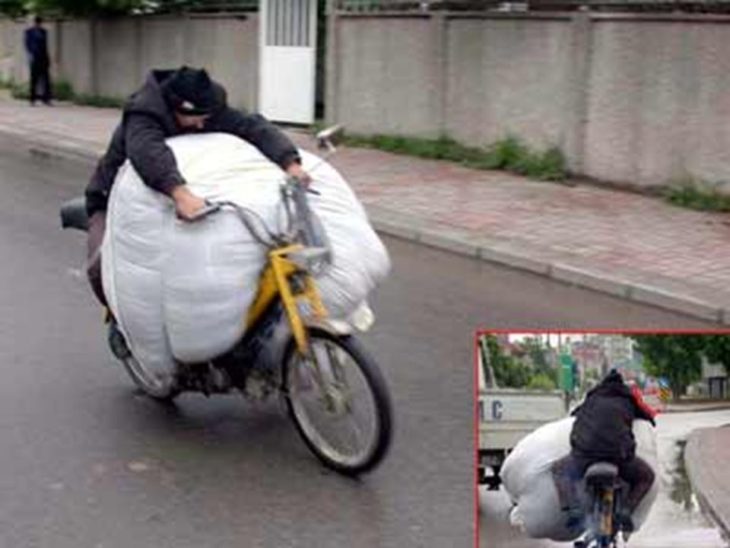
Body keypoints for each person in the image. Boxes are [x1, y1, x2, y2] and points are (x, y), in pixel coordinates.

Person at [84, 66, 309, 307]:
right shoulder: (144, 114)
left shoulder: (206, 110)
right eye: (196, 118)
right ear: (177, 108)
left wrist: (290, 162)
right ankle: (122, 323)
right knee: (102, 267)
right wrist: (180, 194)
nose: (202, 125)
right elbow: (149, 153)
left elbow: (252, 127)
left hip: (171, 199)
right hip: (110, 202)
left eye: (206, 118)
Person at [553, 370, 657, 534]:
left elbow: (574, 414)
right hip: (619, 456)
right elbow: (647, 415)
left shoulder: (592, 399)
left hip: (585, 455)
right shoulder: (628, 400)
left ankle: (573, 509)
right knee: (646, 476)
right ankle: (626, 510)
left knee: (559, 470)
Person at [24, 16, 52, 106]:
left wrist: (48, 58)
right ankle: (32, 99)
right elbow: (27, 45)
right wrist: (30, 55)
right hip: (34, 58)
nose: (38, 24)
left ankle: (46, 98)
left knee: (46, 79)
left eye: (39, 23)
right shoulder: (29, 32)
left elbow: (45, 46)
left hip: (43, 57)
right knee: (34, 79)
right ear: (34, 23)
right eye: (37, 23)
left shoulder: (44, 32)